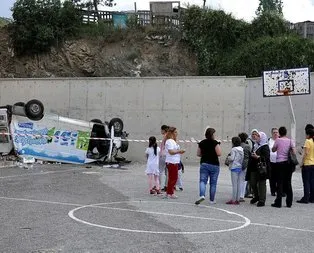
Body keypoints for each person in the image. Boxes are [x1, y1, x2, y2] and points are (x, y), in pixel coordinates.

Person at [195, 127, 222, 205]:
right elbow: (219, 153)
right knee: (213, 183)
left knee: (203, 181)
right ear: (212, 134)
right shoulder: (215, 143)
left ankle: (202, 195)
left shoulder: (202, 143)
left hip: (204, 163)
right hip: (214, 164)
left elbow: (198, 154)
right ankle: (212, 200)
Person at [271, 126, 296, 208]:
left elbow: (273, 150)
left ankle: (278, 202)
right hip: (288, 164)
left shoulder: (278, 140)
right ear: (286, 132)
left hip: (279, 163)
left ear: (279, 133)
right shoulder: (290, 141)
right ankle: (289, 202)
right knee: (288, 182)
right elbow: (294, 152)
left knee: (280, 182)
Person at [246, 130, 270, 207]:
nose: (257, 137)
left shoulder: (265, 146)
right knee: (252, 183)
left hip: (261, 168)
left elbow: (266, 157)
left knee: (261, 184)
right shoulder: (256, 145)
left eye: (258, 136)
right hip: (253, 167)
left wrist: (258, 157)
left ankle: (262, 200)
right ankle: (256, 196)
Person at [164, 127, 185, 199]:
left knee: (173, 178)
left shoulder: (173, 141)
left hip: (174, 161)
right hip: (171, 162)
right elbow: (171, 152)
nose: (177, 133)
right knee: (173, 178)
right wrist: (179, 151)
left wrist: (179, 151)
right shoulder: (169, 141)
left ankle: (170, 192)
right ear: (172, 133)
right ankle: (169, 193)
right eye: (175, 132)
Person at [297, 128, 314, 204]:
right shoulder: (313, 141)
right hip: (313, 163)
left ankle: (306, 198)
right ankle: (312, 197)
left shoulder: (308, 141)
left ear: (308, 134)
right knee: (311, 181)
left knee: (306, 182)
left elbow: (305, 154)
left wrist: (301, 163)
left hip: (307, 164)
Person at [226, 137, 244, 205]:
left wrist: (228, 158)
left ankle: (233, 199)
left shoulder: (233, 149)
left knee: (234, 185)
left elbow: (232, 158)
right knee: (239, 184)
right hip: (240, 167)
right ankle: (237, 199)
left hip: (234, 167)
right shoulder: (241, 149)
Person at [238, 132, 251, 202]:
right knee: (244, 181)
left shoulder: (236, 146)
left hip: (237, 164)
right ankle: (241, 195)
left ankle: (237, 194)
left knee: (237, 180)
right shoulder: (247, 146)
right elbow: (250, 154)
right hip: (245, 164)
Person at [268, 128, 279, 196]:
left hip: (279, 161)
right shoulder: (269, 140)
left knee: (279, 177)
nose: (275, 134)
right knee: (271, 177)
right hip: (271, 161)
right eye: (274, 132)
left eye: (276, 132)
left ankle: (279, 190)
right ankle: (273, 191)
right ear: (272, 133)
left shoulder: (280, 140)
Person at [159, 125, 169, 191]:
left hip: (163, 155)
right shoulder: (170, 137)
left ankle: (160, 185)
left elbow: (162, 146)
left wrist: (160, 154)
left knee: (160, 171)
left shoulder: (165, 137)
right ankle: (166, 185)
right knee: (167, 172)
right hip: (168, 155)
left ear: (163, 130)